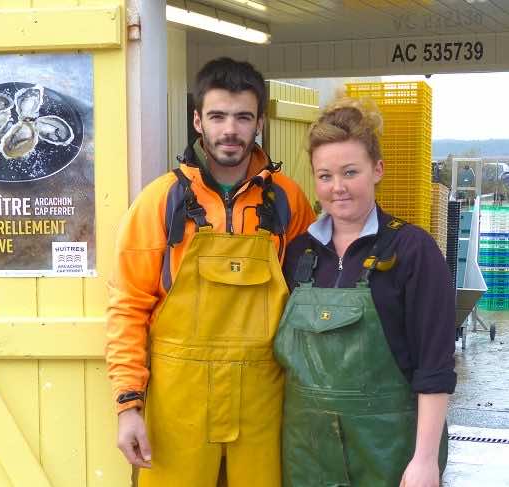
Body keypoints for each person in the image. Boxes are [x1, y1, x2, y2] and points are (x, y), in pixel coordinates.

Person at [106, 57, 315, 487]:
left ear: (259, 123)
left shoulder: (288, 202)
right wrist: (129, 405)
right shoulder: (160, 201)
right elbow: (128, 306)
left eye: (243, 117)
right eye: (218, 116)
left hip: (265, 397)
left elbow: (310, 305)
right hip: (178, 401)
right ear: (198, 121)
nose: (230, 130)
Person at [274, 98, 456, 487]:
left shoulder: (412, 251)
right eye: (324, 176)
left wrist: (424, 461)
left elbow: (435, 366)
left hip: (390, 451)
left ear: (377, 170)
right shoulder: (297, 254)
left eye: (350, 172)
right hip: (307, 454)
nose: (336, 188)